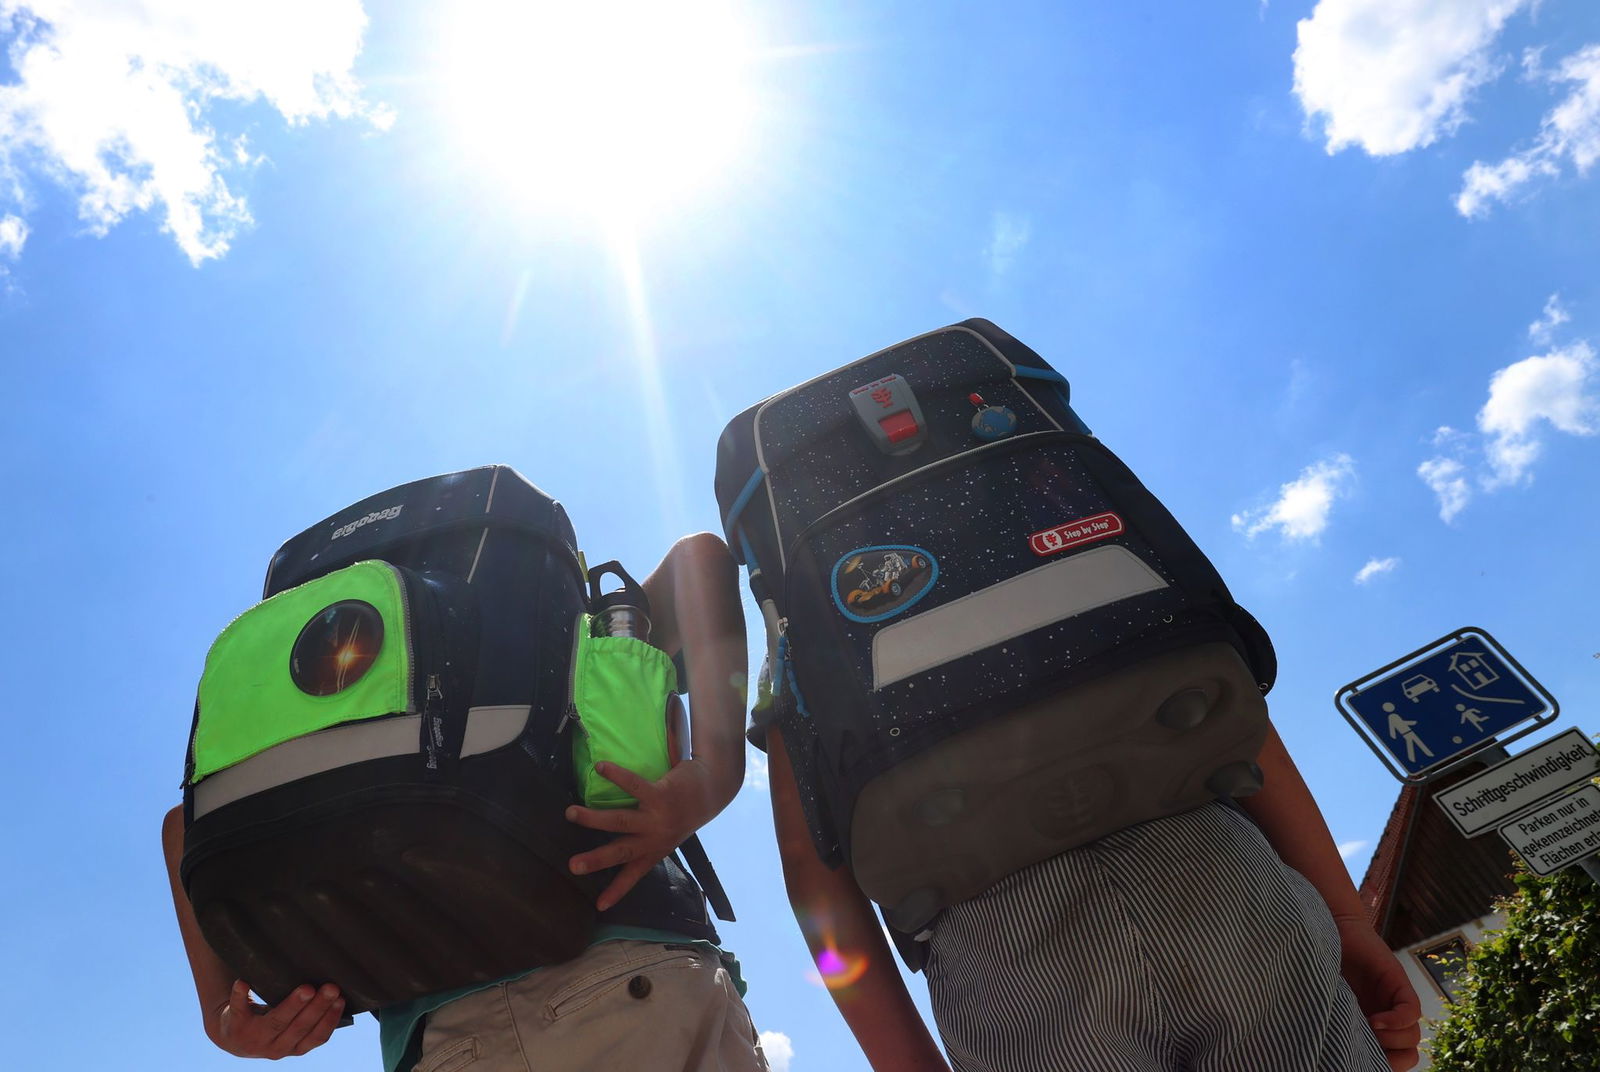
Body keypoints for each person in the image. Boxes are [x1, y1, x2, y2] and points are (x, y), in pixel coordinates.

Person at [164, 532, 768, 1072]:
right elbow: (701, 560)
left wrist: (223, 1017)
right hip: (624, 967)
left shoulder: (299, 730)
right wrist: (711, 774)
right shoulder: (534, 639)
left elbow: (182, 827)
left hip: (444, 1040)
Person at [760, 704, 1424, 1072]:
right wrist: (1351, 925)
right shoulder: (1039, 469)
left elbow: (810, 864)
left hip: (994, 942)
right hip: (1211, 863)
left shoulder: (797, 582)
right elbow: (1235, 709)